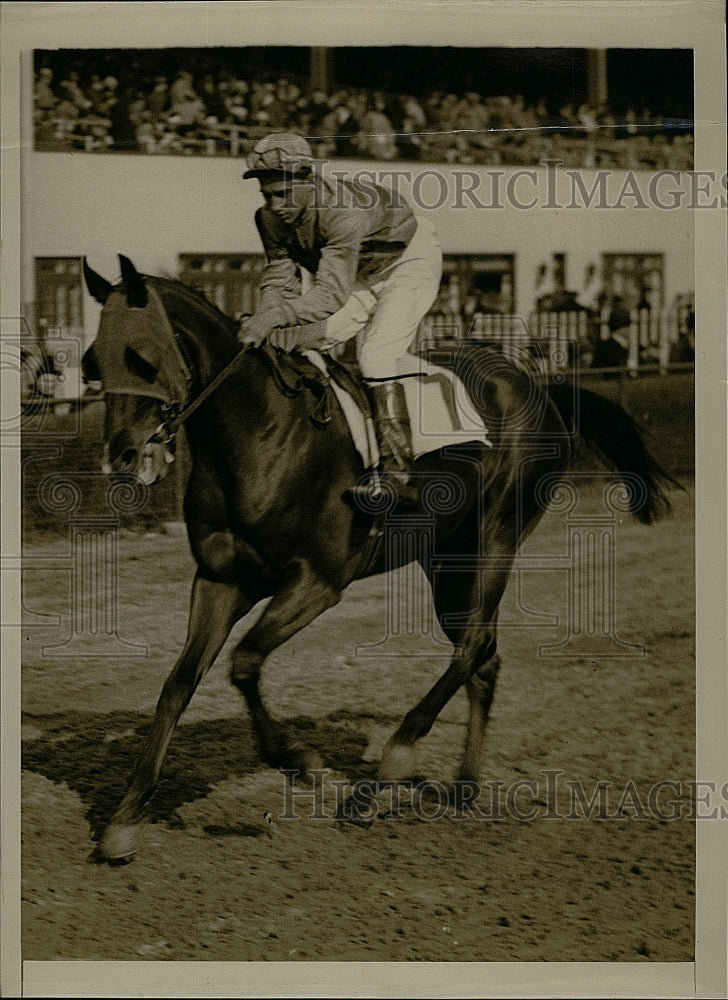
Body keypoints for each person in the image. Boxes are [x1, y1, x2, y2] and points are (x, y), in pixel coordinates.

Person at [239, 132, 443, 506]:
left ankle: (397, 475)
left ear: (308, 180)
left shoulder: (342, 210)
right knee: (305, 341)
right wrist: (267, 317)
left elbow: (329, 296)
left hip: (407, 262)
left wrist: (270, 321)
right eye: (267, 195)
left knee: (375, 357)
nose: (274, 205)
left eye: (282, 193)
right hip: (360, 273)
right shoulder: (268, 219)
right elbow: (278, 279)